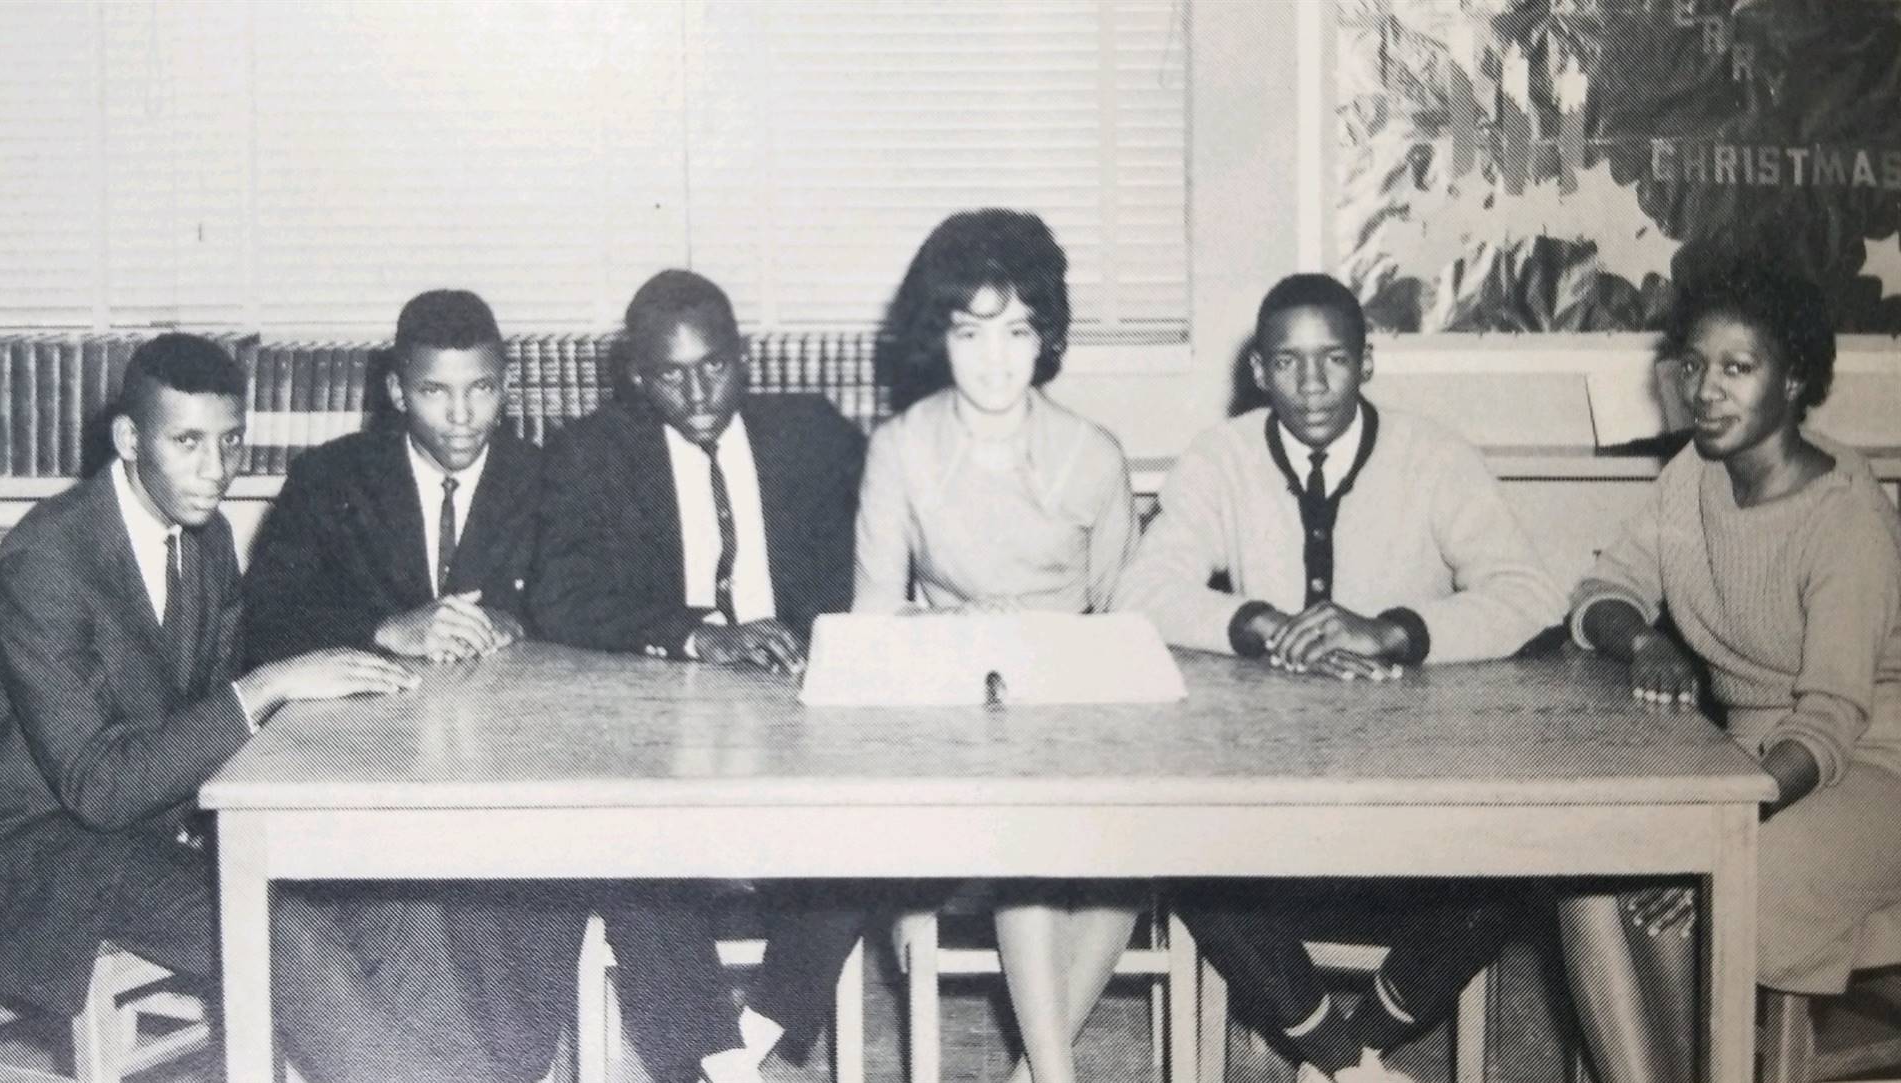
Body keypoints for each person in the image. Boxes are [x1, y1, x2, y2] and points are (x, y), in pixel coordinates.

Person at [0, 332, 480, 1083]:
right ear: (128, 438)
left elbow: (204, 713)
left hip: (159, 822)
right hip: (45, 854)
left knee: (389, 891)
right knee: (280, 930)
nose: (217, 469)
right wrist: (269, 684)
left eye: (231, 440)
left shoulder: (205, 535)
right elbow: (99, 785)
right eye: (187, 441)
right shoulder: (43, 564)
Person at [1115, 273, 1567, 1082]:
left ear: (1368, 361)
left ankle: (1347, 1043)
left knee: (1520, 854)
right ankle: (1344, 1061)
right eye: (1288, 362)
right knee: (1185, 846)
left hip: (1411, 786)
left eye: (1334, 359)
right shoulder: (1219, 459)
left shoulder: (1435, 455)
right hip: (1269, 795)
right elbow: (1139, 593)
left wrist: (1395, 629)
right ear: (1258, 370)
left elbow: (1532, 596)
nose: (1313, 383)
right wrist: (1258, 623)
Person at [1558, 267, 1901, 1083]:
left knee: (1690, 897)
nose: (1705, 391)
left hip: (1863, 772)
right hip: (1741, 770)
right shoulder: (1693, 475)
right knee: (1586, 875)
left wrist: (1719, 826)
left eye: (1736, 368)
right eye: (1692, 365)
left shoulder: (1846, 516)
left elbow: (1826, 723)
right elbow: (1600, 593)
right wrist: (1646, 641)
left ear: (1795, 378)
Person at [527, 269, 866, 1083]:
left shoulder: (813, 434)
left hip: (802, 718)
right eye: (671, 374)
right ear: (638, 378)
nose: (698, 390)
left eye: (713, 365)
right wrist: (698, 635)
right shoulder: (592, 454)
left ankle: (757, 1031)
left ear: (742, 356)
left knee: (881, 822)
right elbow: (559, 597)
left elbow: (880, 560)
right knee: (622, 840)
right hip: (664, 722)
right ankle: (705, 1057)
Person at [244, 289, 585, 1082]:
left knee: (519, 921)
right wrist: (383, 627)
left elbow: (594, 602)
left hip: (516, 771)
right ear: (397, 391)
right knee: (405, 926)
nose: (463, 416)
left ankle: (506, 1060)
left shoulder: (551, 477)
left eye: (483, 389)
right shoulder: (330, 475)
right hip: (367, 767)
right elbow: (265, 620)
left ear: (509, 385)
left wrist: (520, 621)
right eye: (435, 391)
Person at [851, 207, 1139, 1083]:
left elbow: (1129, 631)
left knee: (1126, 859)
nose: (994, 358)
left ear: (1045, 335)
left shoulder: (1093, 455)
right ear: (938, 336)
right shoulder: (898, 451)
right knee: (1033, 831)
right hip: (949, 729)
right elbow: (871, 631)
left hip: (1075, 721)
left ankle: (1036, 1076)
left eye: (1017, 330)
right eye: (970, 331)